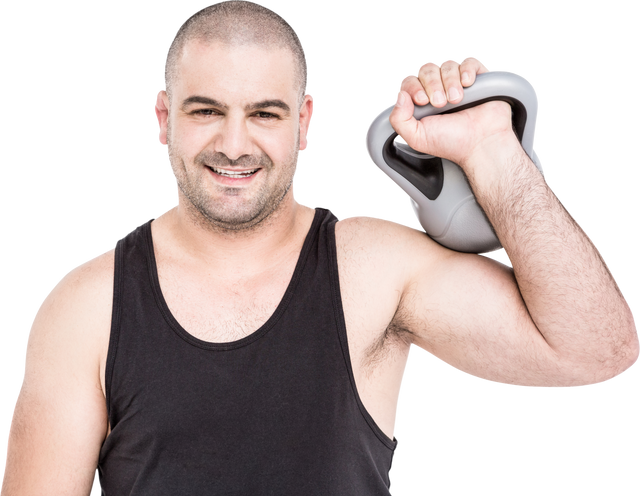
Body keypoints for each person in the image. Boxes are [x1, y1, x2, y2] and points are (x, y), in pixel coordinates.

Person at [2, 1, 638, 494]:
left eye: (265, 114)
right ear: (163, 118)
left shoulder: (372, 269)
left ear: (305, 123)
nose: (234, 143)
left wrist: (493, 153)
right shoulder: (86, 306)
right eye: (205, 111)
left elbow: (596, 349)